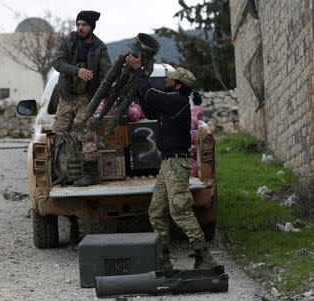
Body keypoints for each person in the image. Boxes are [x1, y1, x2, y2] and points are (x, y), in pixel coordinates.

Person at [125, 53, 218, 270]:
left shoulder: (176, 102)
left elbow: (150, 94)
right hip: (168, 164)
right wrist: (136, 86)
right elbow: (149, 105)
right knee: (156, 211)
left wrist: (139, 70)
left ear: (178, 86)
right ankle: (163, 260)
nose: (166, 80)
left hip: (176, 164)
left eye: (170, 79)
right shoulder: (172, 103)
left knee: (180, 210)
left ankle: (205, 256)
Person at [52, 10, 111, 187]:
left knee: (85, 135)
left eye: (84, 25)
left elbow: (106, 67)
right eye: (78, 24)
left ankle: (91, 174)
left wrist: (111, 80)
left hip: (86, 99)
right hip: (67, 96)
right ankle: (60, 171)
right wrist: (76, 70)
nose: (80, 28)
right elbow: (58, 63)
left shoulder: (100, 47)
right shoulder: (67, 41)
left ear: (91, 26)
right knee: (59, 133)